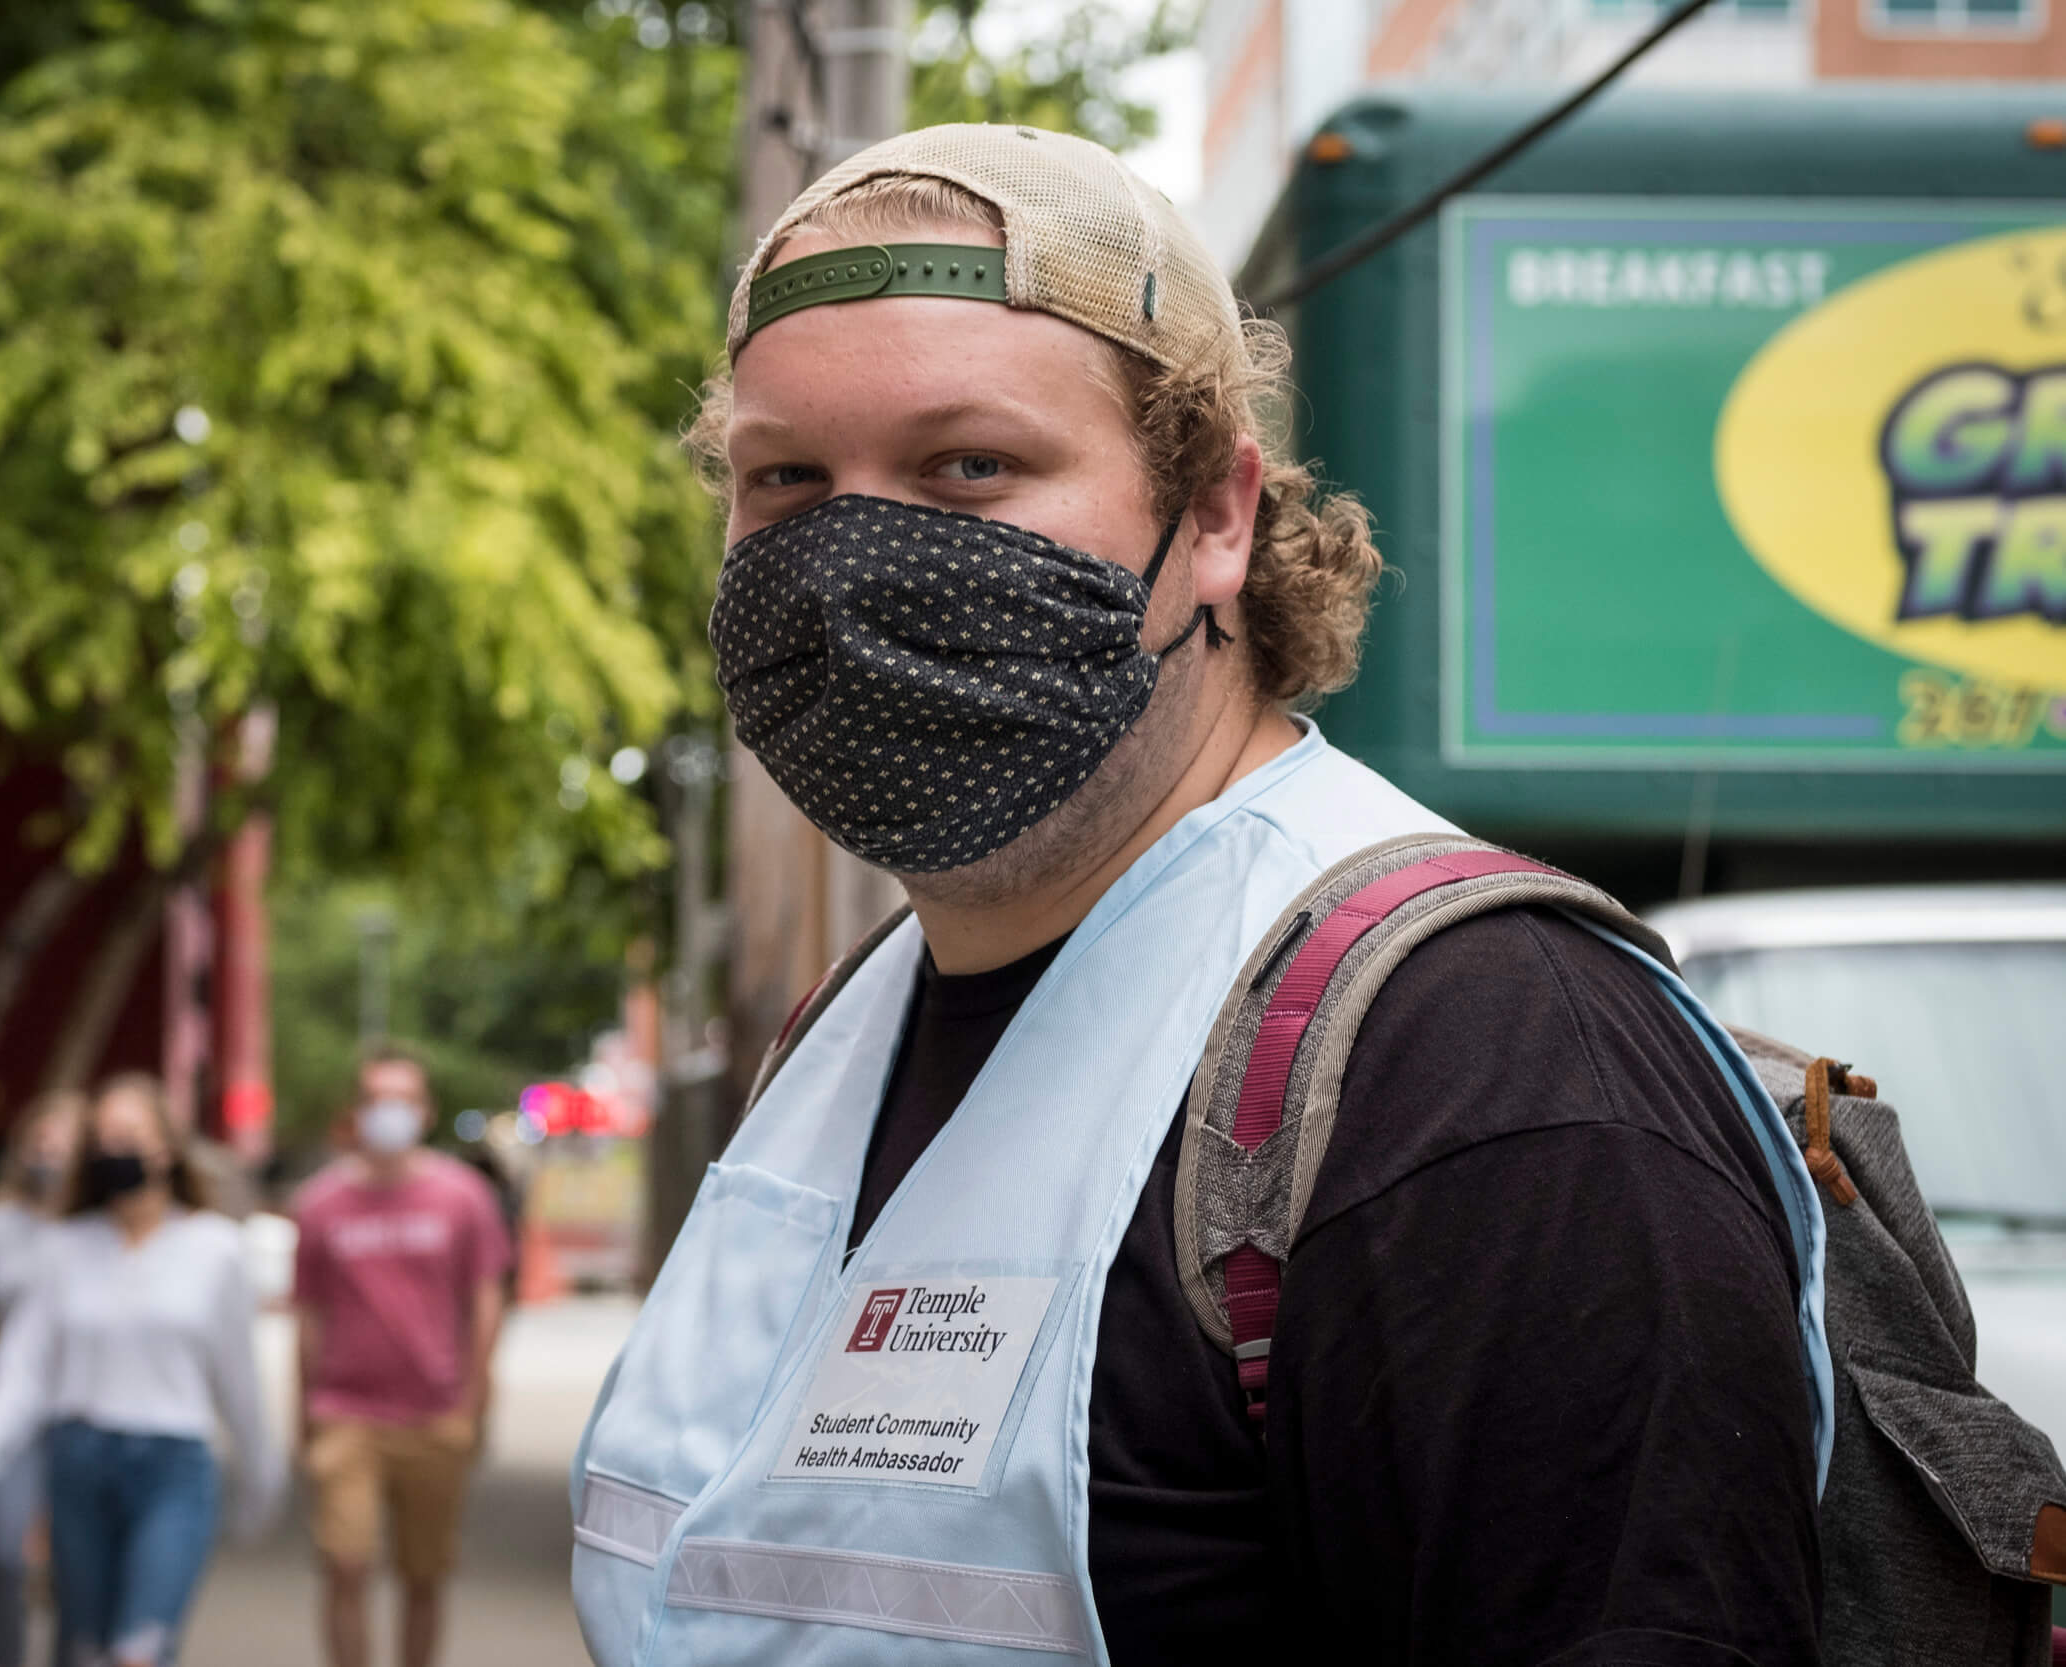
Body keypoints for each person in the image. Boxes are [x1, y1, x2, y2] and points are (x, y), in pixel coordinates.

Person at [568, 125, 1830, 1664]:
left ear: (1219, 515)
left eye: (970, 465)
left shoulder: (1495, 1068)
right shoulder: (841, 1033)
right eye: (786, 480)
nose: (850, 560)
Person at [0, 1073, 283, 1667]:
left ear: (166, 1148)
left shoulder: (215, 1249)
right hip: (80, 1462)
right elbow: (21, 1370)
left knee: (138, 1649)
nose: (112, 1152)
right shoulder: (64, 1248)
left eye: (128, 1137)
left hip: (173, 1468)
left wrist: (260, 1480)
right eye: (100, 1141)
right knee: (86, 1647)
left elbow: (238, 1379)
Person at [292, 1046, 511, 1667]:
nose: (390, 1112)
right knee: (344, 1567)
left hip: (435, 1415)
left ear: (426, 1111)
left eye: (404, 1099)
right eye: (377, 1099)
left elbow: (486, 1303)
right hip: (346, 1414)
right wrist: (302, 1416)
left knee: (424, 1577)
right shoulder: (319, 1204)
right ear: (356, 1112)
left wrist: (475, 1401)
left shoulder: (463, 1197)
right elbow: (308, 1317)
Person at [0, 1090, 85, 1667]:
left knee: (75, 1563)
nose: (48, 1157)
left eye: (63, 1146)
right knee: (4, 1552)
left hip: (80, 1407)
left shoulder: (97, 1232)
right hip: (6, 1409)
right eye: (40, 1143)